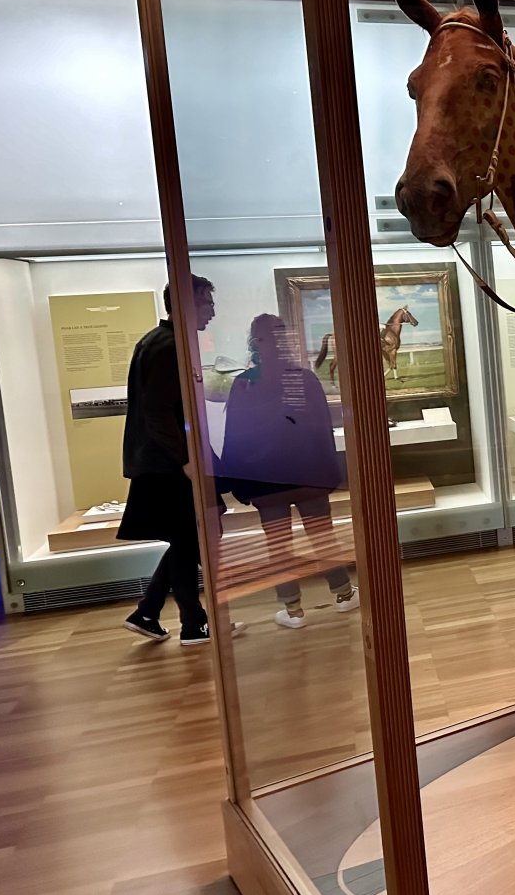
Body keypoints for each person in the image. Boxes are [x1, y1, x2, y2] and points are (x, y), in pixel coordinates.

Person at [221, 314, 358, 629]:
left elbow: (236, 435)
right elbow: (321, 429)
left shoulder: (245, 382)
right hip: (305, 473)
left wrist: (239, 482)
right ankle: (342, 593)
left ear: (255, 342)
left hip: (267, 477)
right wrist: (329, 473)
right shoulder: (302, 378)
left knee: (278, 545)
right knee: (322, 535)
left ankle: (293, 609)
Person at [120, 275, 231, 645]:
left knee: (190, 536)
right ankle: (193, 625)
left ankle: (149, 611)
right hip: (169, 464)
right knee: (192, 537)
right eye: (206, 304)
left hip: (163, 460)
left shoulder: (158, 341)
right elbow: (156, 412)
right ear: (186, 305)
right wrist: (185, 460)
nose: (212, 311)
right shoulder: (168, 347)